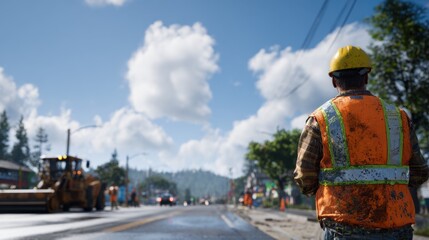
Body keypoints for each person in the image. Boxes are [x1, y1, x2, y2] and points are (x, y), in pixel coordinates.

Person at [294, 45, 429, 239]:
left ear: (333, 81)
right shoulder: (398, 117)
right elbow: (420, 171)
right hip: (396, 227)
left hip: (343, 228)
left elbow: (304, 176)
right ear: (366, 77)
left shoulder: (320, 119)